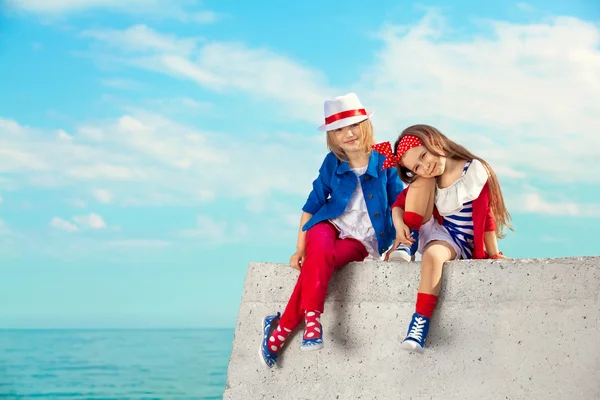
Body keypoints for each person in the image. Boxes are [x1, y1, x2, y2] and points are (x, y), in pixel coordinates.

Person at [259, 93, 405, 368]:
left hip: (363, 236)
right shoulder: (332, 162)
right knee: (319, 251)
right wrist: (299, 248)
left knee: (321, 262)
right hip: (328, 224)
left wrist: (396, 243)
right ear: (332, 137)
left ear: (365, 125)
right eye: (339, 130)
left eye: (354, 125)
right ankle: (312, 320)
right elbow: (312, 206)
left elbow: (398, 203)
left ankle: (279, 330)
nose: (348, 133)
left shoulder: (385, 157)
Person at [373, 124, 512, 354]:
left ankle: (410, 245)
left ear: (433, 140)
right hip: (446, 236)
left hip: (467, 243)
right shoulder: (429, 178)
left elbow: (486, 217)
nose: (426, 165)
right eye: (417, 166)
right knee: (432, 255)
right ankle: (419, 323)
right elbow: (399, 205)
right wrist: (399, 227)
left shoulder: (474, 170)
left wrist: (493, 252)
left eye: (424, 155)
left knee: (424, 180)